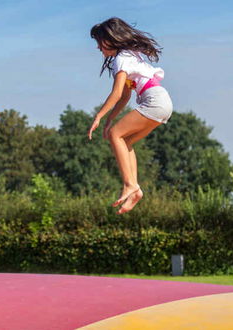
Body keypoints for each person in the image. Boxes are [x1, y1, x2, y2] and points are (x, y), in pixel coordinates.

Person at [88, 17, 173, 214]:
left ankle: (129, 185)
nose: (98, 48)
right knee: (124, 140)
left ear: (109, 40)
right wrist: (110, 120)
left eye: (99, 43)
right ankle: (135, 189)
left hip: (154, 101)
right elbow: (125, 96)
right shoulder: (130, 55)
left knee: (115, 135)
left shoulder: (121, 59)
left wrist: (99, 116)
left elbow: (116, 93)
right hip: (162, 102)